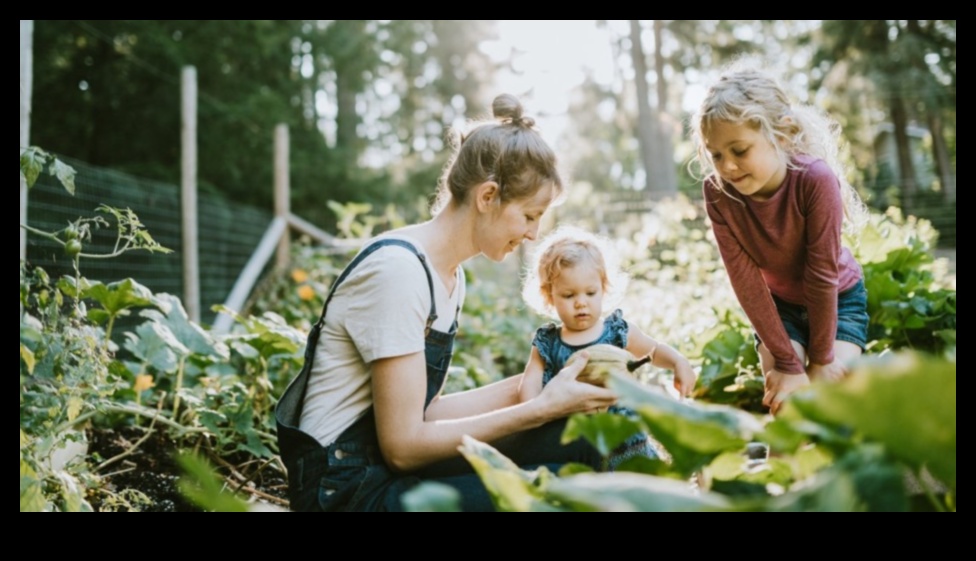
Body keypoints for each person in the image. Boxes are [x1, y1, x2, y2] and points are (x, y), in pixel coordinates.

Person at [274, 94, 618, 512]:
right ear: (487, 196)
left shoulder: (448, 275)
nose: (533, 235)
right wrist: (540, 409)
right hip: (345, 492)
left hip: (384, 468)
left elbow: (427, 413)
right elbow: (403, 446)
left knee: (587, 441)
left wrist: (552, 377)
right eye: (529, 216)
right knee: (563, 492)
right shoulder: (399, 272)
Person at [690, 67, 869, 415]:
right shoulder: (718, 193)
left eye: (739, 150)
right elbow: (746, 282)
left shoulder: (815, 180)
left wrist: (820, 360)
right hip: (779, 309)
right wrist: (788, 364)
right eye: (716, 155)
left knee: (829, 406)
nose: (727, 166)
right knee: (788, 408)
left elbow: (821, 276)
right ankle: (783, 470)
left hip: (839, 299)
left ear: (783, 135)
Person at [518, 225, 697, 469]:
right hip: (578, 445)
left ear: (604, 288)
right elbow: (529, 386)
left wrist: (678, 362)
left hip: (628, 443)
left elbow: (653, 350)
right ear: (550, 296)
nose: (581, 303)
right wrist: (534, 413)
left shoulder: (616, 332)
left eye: (590, 293)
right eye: (569, 296)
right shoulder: (547, 343)